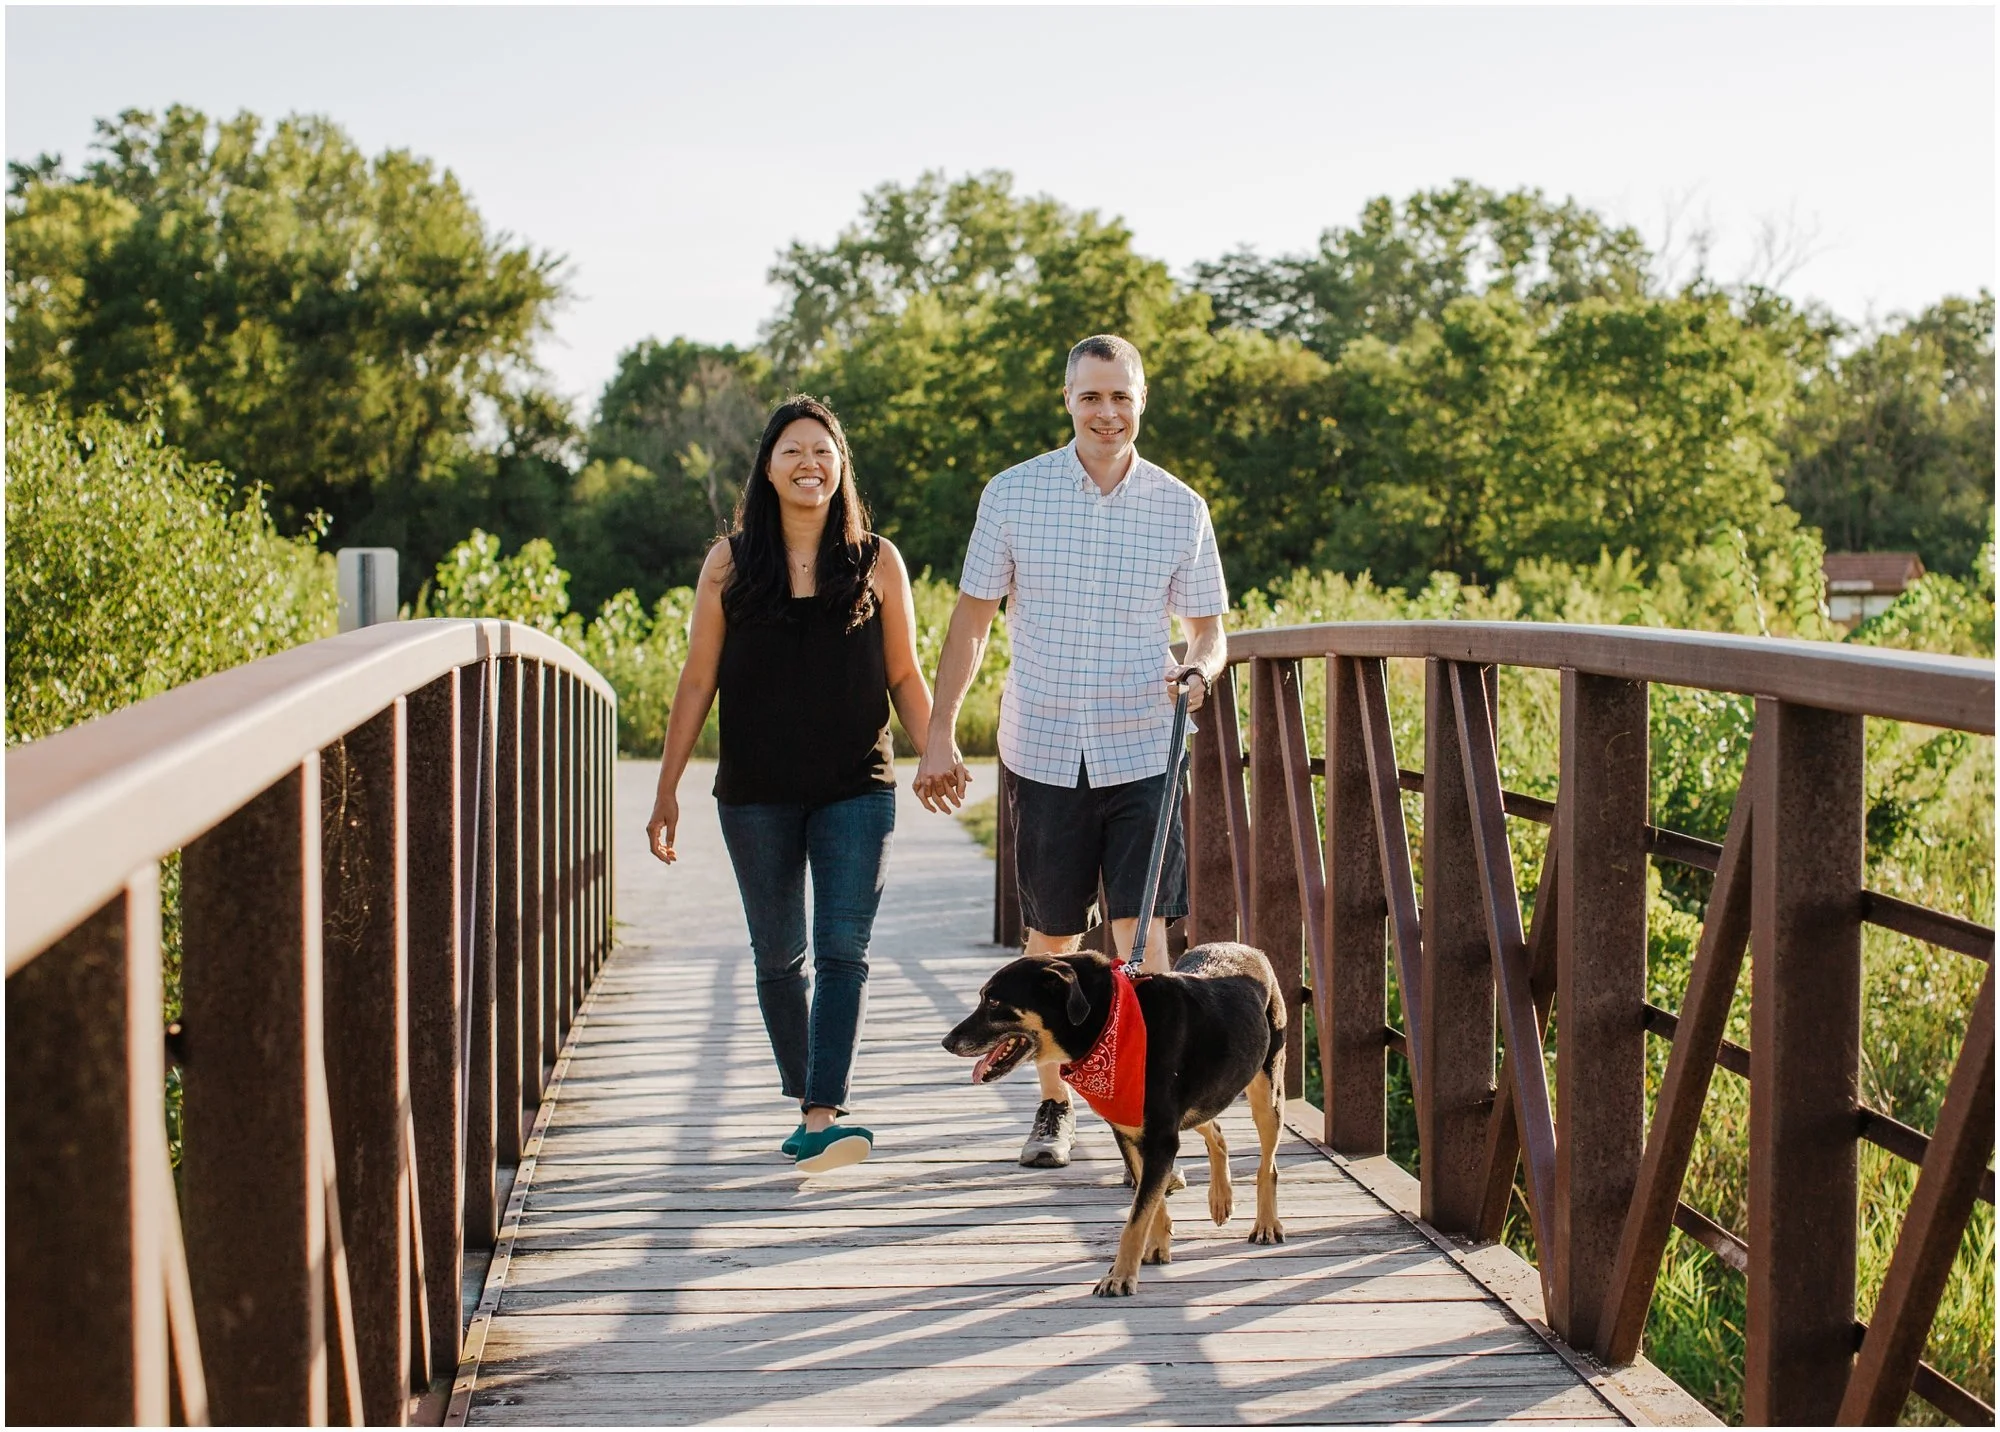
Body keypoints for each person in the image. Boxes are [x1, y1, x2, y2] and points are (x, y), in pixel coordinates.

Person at [914, 334, 1230, 1169]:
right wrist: (941, 728)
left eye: (1121, 396)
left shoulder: (1178, 505)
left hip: (1145, 743)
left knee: (1144, 934)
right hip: (1045, 744)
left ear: (1142, 401)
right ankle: (1053, 1107)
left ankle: (1147, 1102)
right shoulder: (1013, 494)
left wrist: (1199, 667)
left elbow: (1209, 628)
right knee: (1050, 937)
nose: (1107, 413)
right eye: (1092, 397)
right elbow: (973, 621)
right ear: (1068, 401)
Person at [646, 395, 940, 1174]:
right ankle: (807, 1094)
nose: (809, 463)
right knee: (779, 956)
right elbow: (698, 676)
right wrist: (667, 787)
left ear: (840, 465)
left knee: (843, 948)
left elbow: (903, 673)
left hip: (857, 787)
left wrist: (935, 747)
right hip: (756, 794)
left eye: (823, 450)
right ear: (768, 468)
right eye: (792, 451)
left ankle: (822, 1113)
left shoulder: (877, 559)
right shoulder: (731, 563)